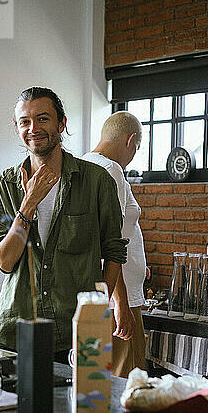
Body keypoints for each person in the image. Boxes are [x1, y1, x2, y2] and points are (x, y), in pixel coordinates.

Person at [0, 87, 127, 363]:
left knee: (88, 405)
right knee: (14, 408)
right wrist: (29, 204)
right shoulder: (4, 186)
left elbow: (114, 252)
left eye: (43, 118)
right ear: (17, 129)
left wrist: (98, 312)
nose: (33, 128)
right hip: (15, 333)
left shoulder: (97, 181)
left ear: (61, 123)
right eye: (25, 121)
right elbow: (4, 261)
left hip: (82, 333)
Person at [82, 111, 148, 377]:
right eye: (137, 148)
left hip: (100, 292)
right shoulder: (111, 170)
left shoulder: (84, 163)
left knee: (95, 378)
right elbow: (109, 242)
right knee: (128, 380)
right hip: (119, 297)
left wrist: (138, 264)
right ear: (130, 140)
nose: (134, 154)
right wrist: (120, 303)